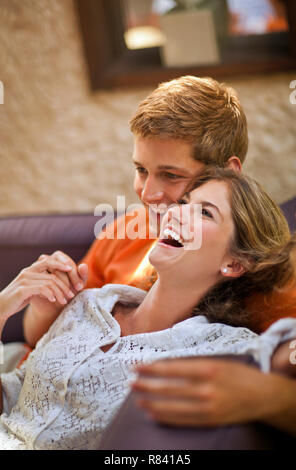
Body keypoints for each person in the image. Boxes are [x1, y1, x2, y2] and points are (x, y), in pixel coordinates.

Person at [21, 76, 296, 433]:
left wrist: (269, 396)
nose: (147, 193)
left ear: (227, 172)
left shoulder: (262, 274)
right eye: (141, 170)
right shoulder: (123, 231)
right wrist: (45, 305)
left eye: (170, 174)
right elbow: (36, 338)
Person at [0, 168, 296, 449]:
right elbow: (11, 398)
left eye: (204, 212)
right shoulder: (91, 302)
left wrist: (276, 397)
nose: (176, 213)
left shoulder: (227, 348)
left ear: (233, 263)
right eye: (184, 203)